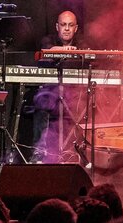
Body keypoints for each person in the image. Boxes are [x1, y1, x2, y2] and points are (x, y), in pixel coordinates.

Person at [31, 10, 84, 163]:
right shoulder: (49, 39)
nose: (66, 29)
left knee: (86, 105)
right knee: (41, 101)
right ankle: (39, 152)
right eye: (63, 25)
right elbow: (46, 51)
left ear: (75, 28)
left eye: (70, 25)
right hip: (50, 91)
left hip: (74, 92)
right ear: (57, 26)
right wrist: (63, 50)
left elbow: (90, 56)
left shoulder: (81, 43)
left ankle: (76, 152)